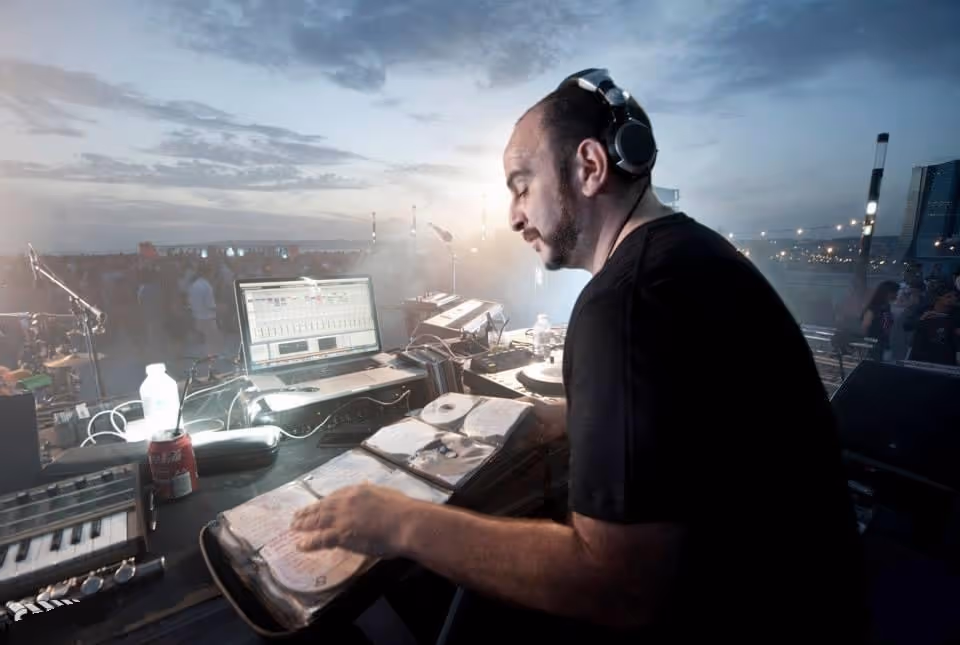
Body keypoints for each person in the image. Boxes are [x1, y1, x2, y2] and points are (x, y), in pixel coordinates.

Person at [290, 69, 867, 643]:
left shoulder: (624, 300)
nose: (514, 216)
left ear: (590, 167)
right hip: (818, 604)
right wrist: (571, 420)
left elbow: (617, 584)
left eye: (522, 186)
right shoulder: (695, 254)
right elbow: (705, 426)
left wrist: (398, 522)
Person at [908, 284, 959, 366]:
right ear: (938, 298)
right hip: (921, 356)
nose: (954, 298)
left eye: (955, 296)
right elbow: (907, 325)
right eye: (948, 296)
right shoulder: (924, 310)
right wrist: (921, 319)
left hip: (946, 358)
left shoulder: (957, 313)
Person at [187, 263, 220, 376]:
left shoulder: (194, 285)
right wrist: (220, 308)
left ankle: (200, 367)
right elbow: (210, 304)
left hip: (197, 317)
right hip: (208, 319)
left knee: (201, 344)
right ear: (208, 273)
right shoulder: (206, 286)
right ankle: (211, 368)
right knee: (211, 345)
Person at [861, 280, 899, 361]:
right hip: (873, 344)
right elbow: (865, 326)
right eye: (895, 292)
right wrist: (866, 344)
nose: (896, 295)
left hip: (883, 344)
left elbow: (887, 326)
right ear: (888, 293)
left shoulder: (887, 307)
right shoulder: (873, 308)